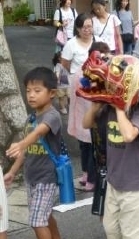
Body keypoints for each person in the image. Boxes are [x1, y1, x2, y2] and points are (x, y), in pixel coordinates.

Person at [82, 57, 139, 239]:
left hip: (136, 185)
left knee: (132, 235)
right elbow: (86, 124)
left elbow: (129, 135)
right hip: (114, 182)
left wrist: (120, 108)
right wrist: (95, 106)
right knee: (111, 230)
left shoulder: (137, 112)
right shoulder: (107, 111)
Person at [5, 67, 62, 239]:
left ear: (51, 93)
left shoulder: (52, 116)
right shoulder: (31, 118)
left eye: (37, 91)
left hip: (46, 178)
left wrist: (21, 143)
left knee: (37, 221)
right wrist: (13, 172)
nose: (31, 95)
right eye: (28, 91)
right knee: (45, 216)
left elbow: (39, 133)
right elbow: (26, 151)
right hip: (32, 178)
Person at [61, 13, 103, 192]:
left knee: (93, 135)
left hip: (95, 93)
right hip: (79, 92)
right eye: (84, 27)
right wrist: (77, 78)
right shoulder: (71, 44)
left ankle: (92, 173)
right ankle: (86, 172)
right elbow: (65, 63)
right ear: (77, 28)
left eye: (90, 26)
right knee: (82, 134)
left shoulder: (98, 41)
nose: (88, 30)